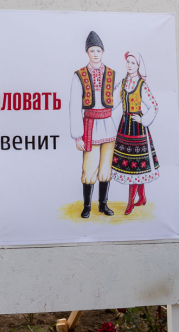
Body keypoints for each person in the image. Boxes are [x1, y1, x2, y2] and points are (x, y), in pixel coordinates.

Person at [69, 31, 121, 218]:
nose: (95, 54)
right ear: (87, 53)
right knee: (89, 167)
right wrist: (77, 135)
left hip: (108, 124)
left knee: (106, 167)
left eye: (98, 50)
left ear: (103, 52)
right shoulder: (79, 75)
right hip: (90, 126)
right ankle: (87, 206)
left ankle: (103, 204)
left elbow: (118, 99)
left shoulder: (113, 74)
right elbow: (74, 106)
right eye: (92, 50)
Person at [110, 52, 160, 215]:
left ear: (138, 66)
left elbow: (154, 106)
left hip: (137, 128)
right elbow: (112, 102)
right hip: (124, 126)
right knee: (134, 165)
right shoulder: (123, 83)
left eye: (133, 63)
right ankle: (142, 197)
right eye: (128, 62)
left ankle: (131, 202)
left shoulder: (141, 85)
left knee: (136, 165)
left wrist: (143, 119)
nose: (129, 65)